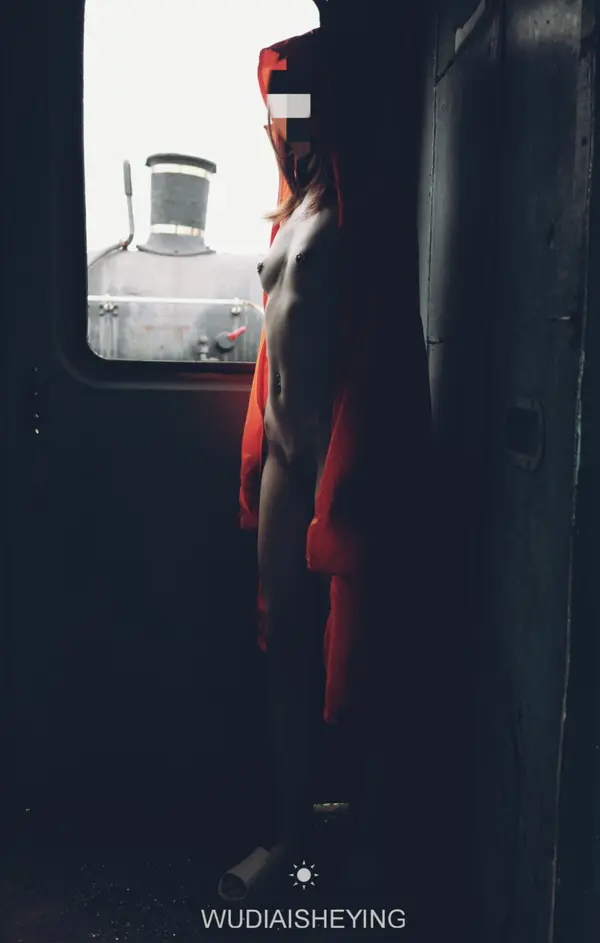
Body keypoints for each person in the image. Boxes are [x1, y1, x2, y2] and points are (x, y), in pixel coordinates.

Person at [240, 26, 432, 889]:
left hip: (339, 451)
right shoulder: (294, 206)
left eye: (296, 97)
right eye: (276, 102)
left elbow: (383, 338)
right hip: (285, 461)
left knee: (365, 648)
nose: (285, 118)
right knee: (284, 650)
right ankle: (291, 837)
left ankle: (372, 842)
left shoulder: (359, 204)